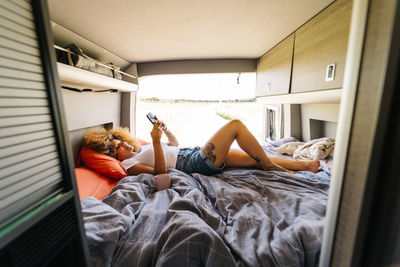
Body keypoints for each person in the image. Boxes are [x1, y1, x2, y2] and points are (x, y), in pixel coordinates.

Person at [82, 120, 320, 176]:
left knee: (253, 159)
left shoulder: (138, 149)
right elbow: (160, 175)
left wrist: (164, 132)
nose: (123, 144)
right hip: (194, 163)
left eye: (120, 140)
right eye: (117, 146)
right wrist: (155, 142)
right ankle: (271, 166)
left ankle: (306, 165)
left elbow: (174, 146)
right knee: (235, 126)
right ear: (113, 155)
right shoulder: (129, 165)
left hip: (190, 152)